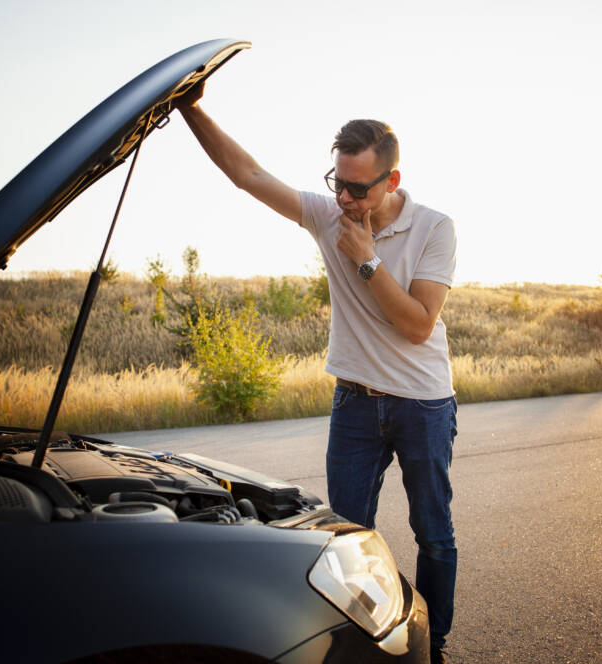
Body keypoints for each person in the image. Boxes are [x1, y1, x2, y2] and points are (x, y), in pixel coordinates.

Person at [177, 82, 458, 662]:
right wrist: (190, 107)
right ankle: (360, 650)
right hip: (355, 404)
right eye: (338, 183)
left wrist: (367, 260)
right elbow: (248, 175)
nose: (345, 200)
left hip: (423, 404)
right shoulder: (327, 214)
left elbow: (418, 325)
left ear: (391, 181)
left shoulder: (435, 228)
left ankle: (435, 646)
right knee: (343, 540)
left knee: (432, 533)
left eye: (358, 188)